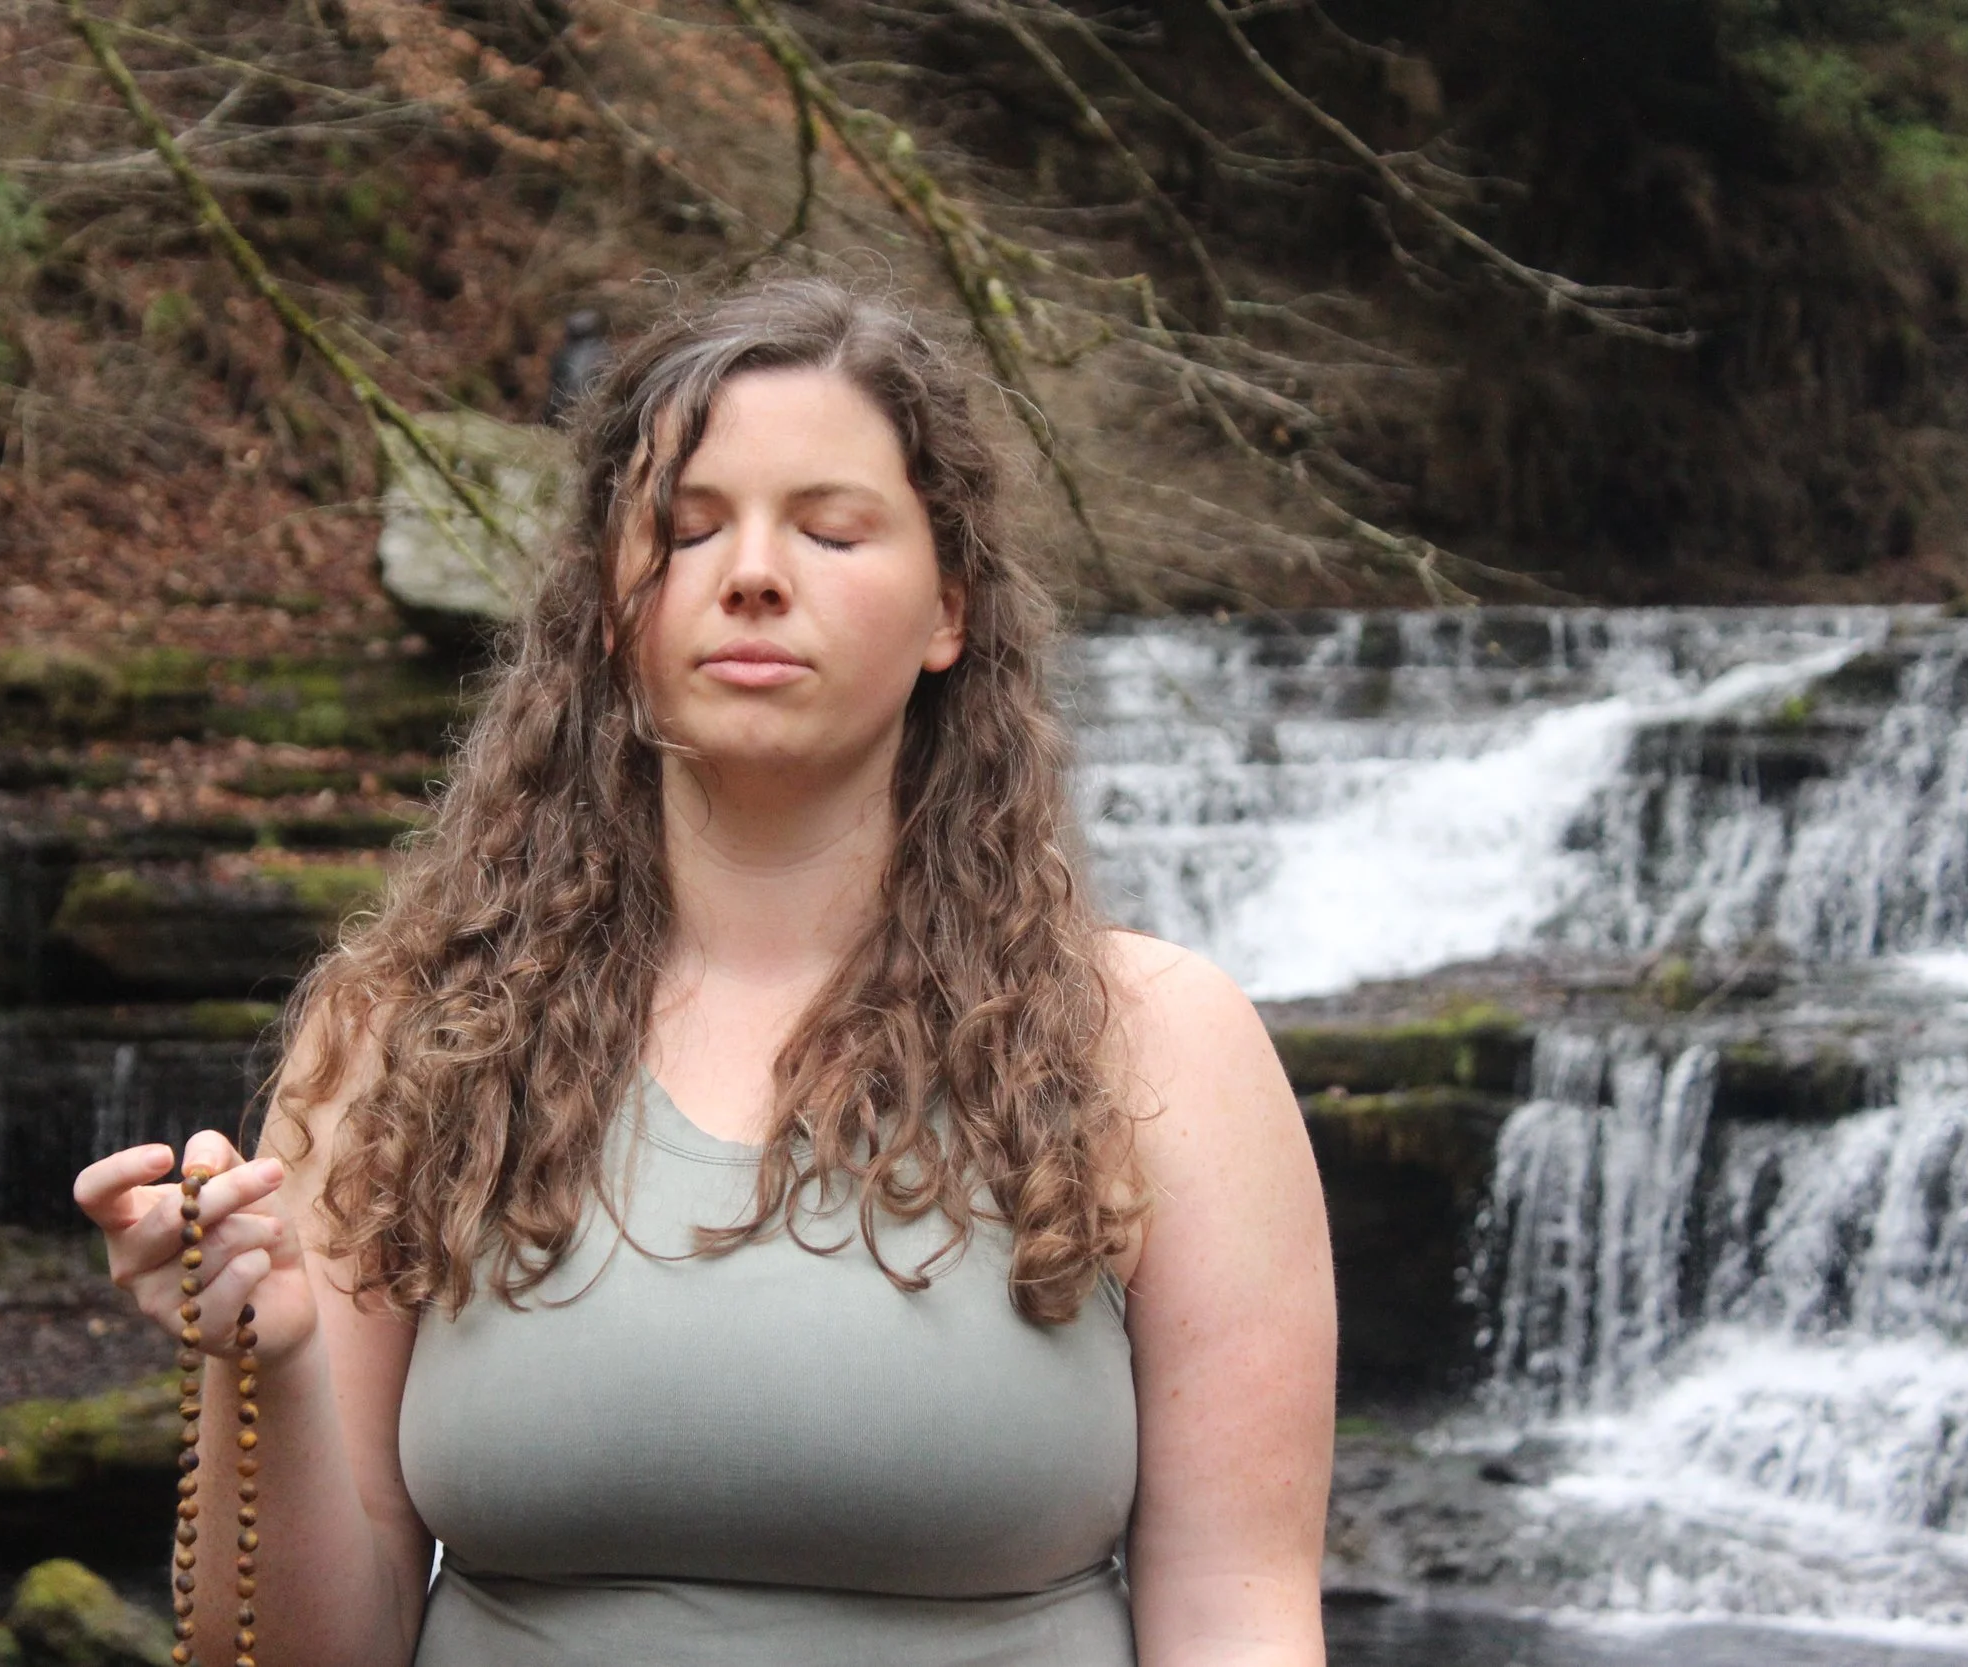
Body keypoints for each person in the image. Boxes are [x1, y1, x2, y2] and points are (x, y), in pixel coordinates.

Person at [74, 278, 1336, 1667]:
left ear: (948, 612)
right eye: (686, 527)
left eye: (830, 527)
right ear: (612, 613)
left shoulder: (1156, 1047)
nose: (750, 570)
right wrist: (266, 1364)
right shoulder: (405, 1036)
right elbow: (292, 1651)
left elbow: (1239, 1613)